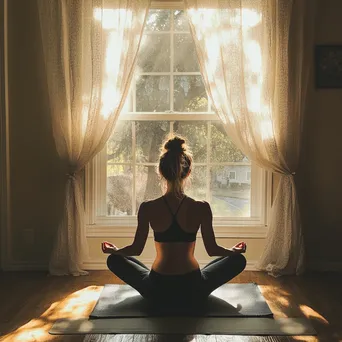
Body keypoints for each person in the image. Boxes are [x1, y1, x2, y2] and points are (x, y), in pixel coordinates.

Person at [102, 136, 247, 310]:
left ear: (160, 172)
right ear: (188, 171)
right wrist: (232, 251)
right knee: (238, 260)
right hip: (193, 288)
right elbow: (212, 250)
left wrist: (116, 251)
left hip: (156, 288)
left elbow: (136, 249)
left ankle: (157, 290)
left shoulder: (148, 208)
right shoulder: (201, 208)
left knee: (114, 260)